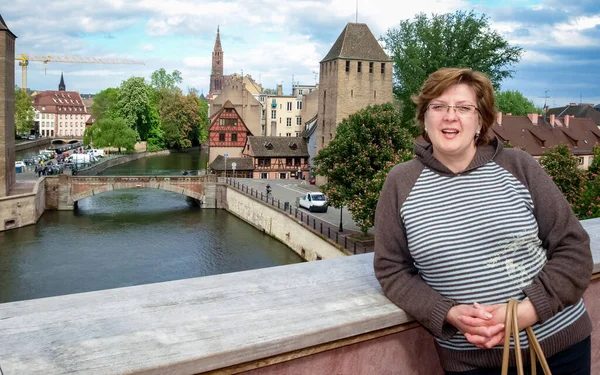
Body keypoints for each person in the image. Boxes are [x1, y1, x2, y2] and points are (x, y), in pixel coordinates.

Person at [373, 68, 593, 375]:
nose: (450, 117)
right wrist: (447, 312)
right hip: (471, 362)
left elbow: (574, 247)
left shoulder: (518, 166)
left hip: (559, 349)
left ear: (481, 120)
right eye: (438, 107)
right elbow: (391, 269)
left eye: (464, 108)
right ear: (424, 118)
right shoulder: (401, 183)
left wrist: (525, 313)